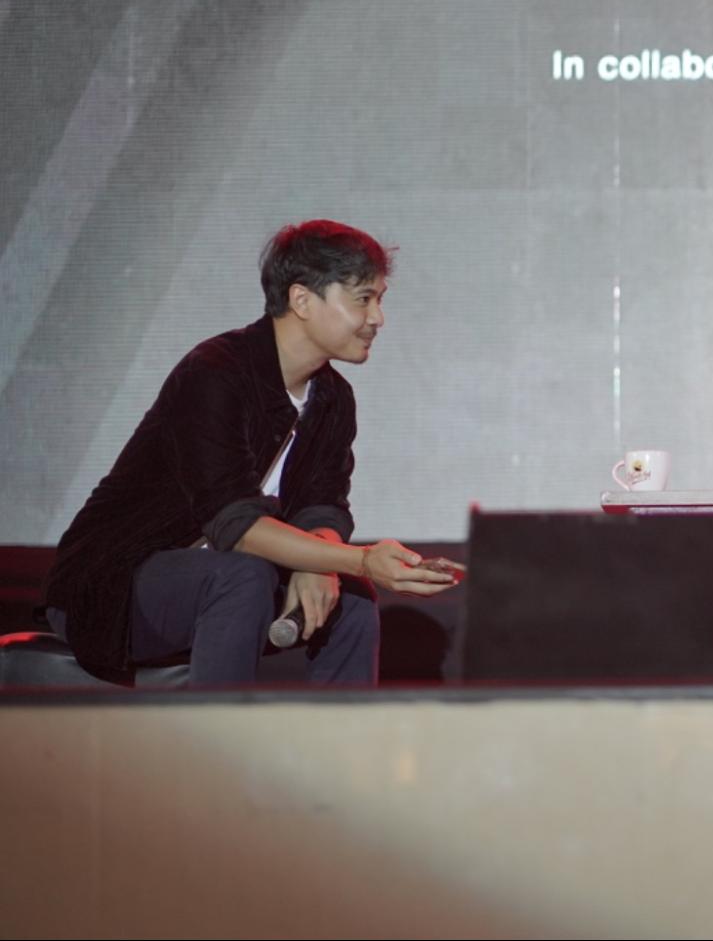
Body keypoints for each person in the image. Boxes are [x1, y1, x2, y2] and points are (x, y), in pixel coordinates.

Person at [42, 221, 461, 685]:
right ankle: (223, 731)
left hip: (228, 581)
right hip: (112, 589)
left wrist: (322, 559)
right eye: (364, 299)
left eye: (379, 299)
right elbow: (235, 524)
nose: (378, 318)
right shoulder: (216, 372)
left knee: (353, 599)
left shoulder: (333, 398)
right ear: (302, 300)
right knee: (243, 574)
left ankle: (342, 732)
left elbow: (323, 503)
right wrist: (355, 559)